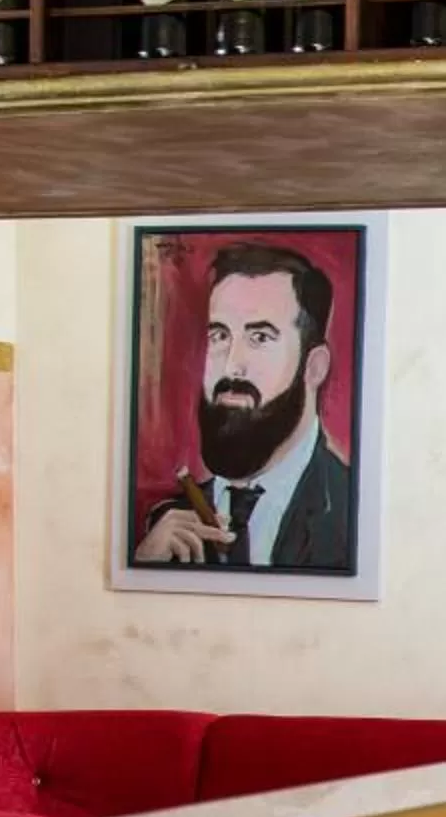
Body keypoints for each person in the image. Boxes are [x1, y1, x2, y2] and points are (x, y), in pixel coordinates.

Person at [134, 242, 354, 572]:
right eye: (220, 336)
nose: (231, 367)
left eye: (260, 338)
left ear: (315, 367)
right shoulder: (168, 522)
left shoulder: (351, 510)